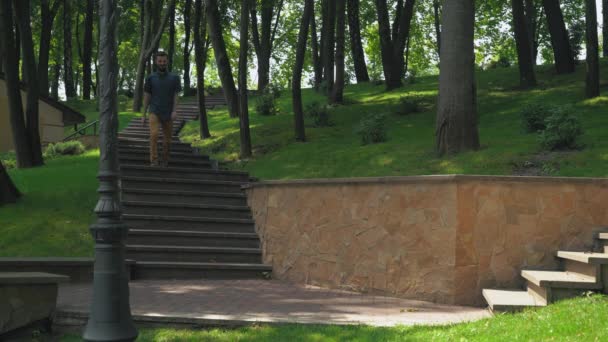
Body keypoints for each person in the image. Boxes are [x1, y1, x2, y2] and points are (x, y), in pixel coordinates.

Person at [142, 51, 181, 167]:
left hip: (168, 112)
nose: (162, 63)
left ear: (167, 61)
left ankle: (165, 159)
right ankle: (154, 160)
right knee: (154, 135)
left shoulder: (175, 78)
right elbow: (147, 96)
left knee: (168, 140)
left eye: (164, 61)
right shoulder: (150, 78)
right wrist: (143, 114)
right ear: (156, 62)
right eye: (160, 61)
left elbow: (176, 95)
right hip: (154, 111)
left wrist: (174, 110)